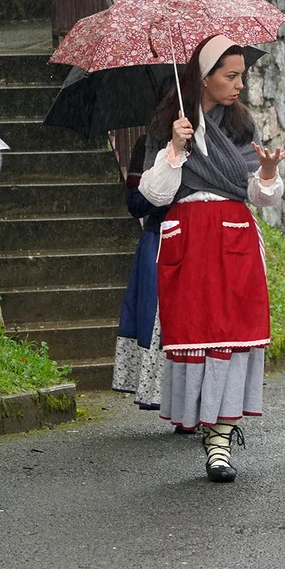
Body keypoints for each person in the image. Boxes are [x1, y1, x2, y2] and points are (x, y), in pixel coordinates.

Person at [140, 35, 285, 483]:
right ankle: (204, 424)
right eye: (231, 75)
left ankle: (220, 440)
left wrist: (267, 173)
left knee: (233, 332)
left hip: (233, 238)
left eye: (241, 75)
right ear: (204, 78)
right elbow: (155, 195)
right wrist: (174, 149)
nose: (240, 84)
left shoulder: (241, 126)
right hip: (188, 239)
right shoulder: (170, 125)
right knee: (196, 332)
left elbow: (259, 195)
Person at [112, 135, 171, 415]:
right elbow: (135, 203)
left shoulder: (207, 145)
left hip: (200, 239)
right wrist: (163, 187)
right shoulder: (148, 145)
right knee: (155, 319)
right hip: (159, 238)